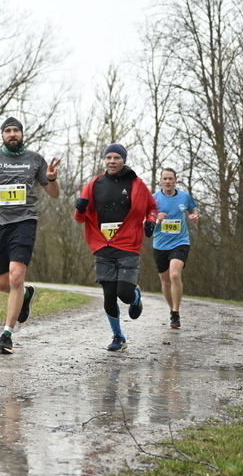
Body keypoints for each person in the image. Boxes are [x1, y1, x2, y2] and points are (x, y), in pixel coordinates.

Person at [0, 117, 60, 354]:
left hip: (25, 221)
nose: (12, 134)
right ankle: (25, 294)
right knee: (3, 284)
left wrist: (51, 178)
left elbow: (54, 194)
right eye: (8, 131)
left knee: (16, 275)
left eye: (16, 130)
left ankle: (6, 334)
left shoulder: (35, 159)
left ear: (22, 134)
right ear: (2, 135)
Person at [73, 143, 157, 352]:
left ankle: (135, 297)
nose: (112, 161)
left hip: (128, 244)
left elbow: (152, 207)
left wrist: (151, 221)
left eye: (116, 158)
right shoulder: (94, 185)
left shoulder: (136, 184)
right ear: (104, 160)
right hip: (103, 245)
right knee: (109, 294)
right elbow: (80, 219)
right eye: (109, 157)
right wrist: (79, 209)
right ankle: (118, 336)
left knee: (124, 293)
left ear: (123, 160)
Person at [152, 167, 199, 329]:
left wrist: (193, 215)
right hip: (160, 244)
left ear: (175, 180)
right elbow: (146, 221)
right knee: (165, 282)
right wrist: (156, 219)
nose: (168, 181)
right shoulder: (154, 199)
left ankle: (176, 312)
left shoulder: (184, 197)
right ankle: (172, 309)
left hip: (180, 242)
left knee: (174, 275)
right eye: (165, 178)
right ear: (160, 180)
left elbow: (192, 209)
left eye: (170, 178)